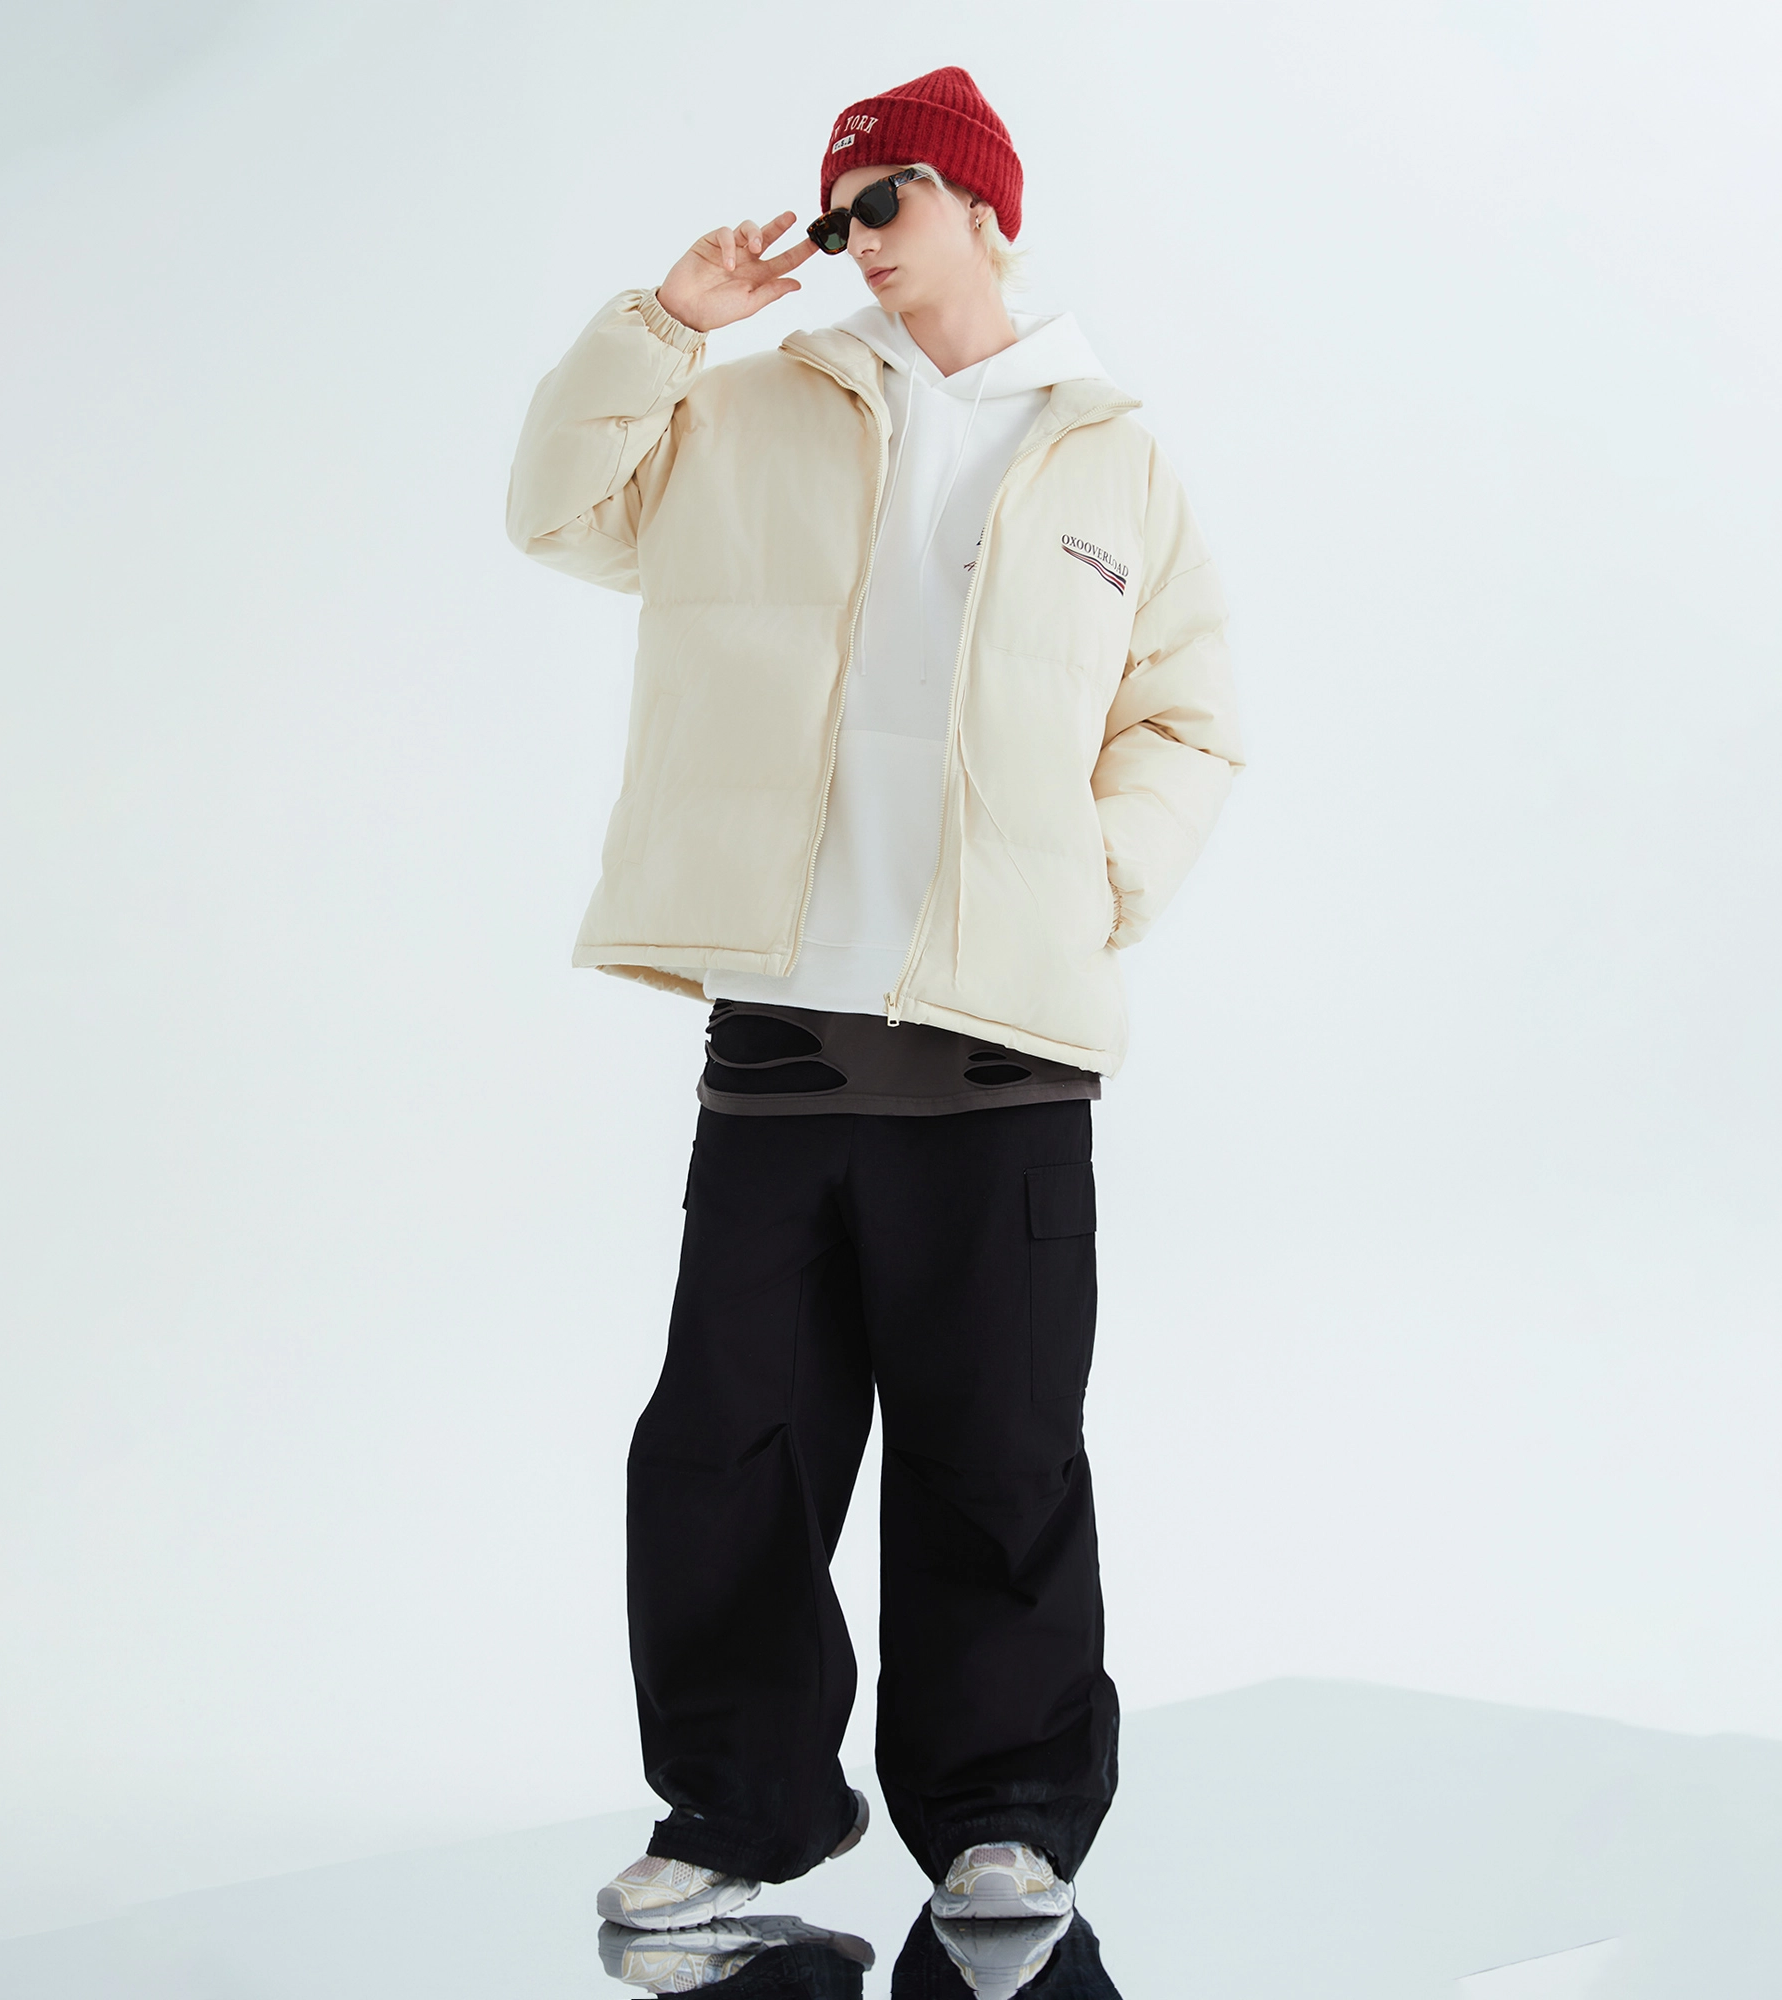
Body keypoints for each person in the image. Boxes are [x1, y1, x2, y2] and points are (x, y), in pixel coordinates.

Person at [506, 65, 1243, 1934]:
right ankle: (743, 1812)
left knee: (998, 1453)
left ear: (988, 206)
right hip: (784, 1031)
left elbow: (1188, 716)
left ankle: (1006, 1817)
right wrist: (667, 323)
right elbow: (557, 511)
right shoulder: (749, 409)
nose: (854, 235)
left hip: (1002, 1048)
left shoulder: (1111, 456)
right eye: (838, 208)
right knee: (725, 1452)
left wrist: (1092, 884)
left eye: (888, 195)